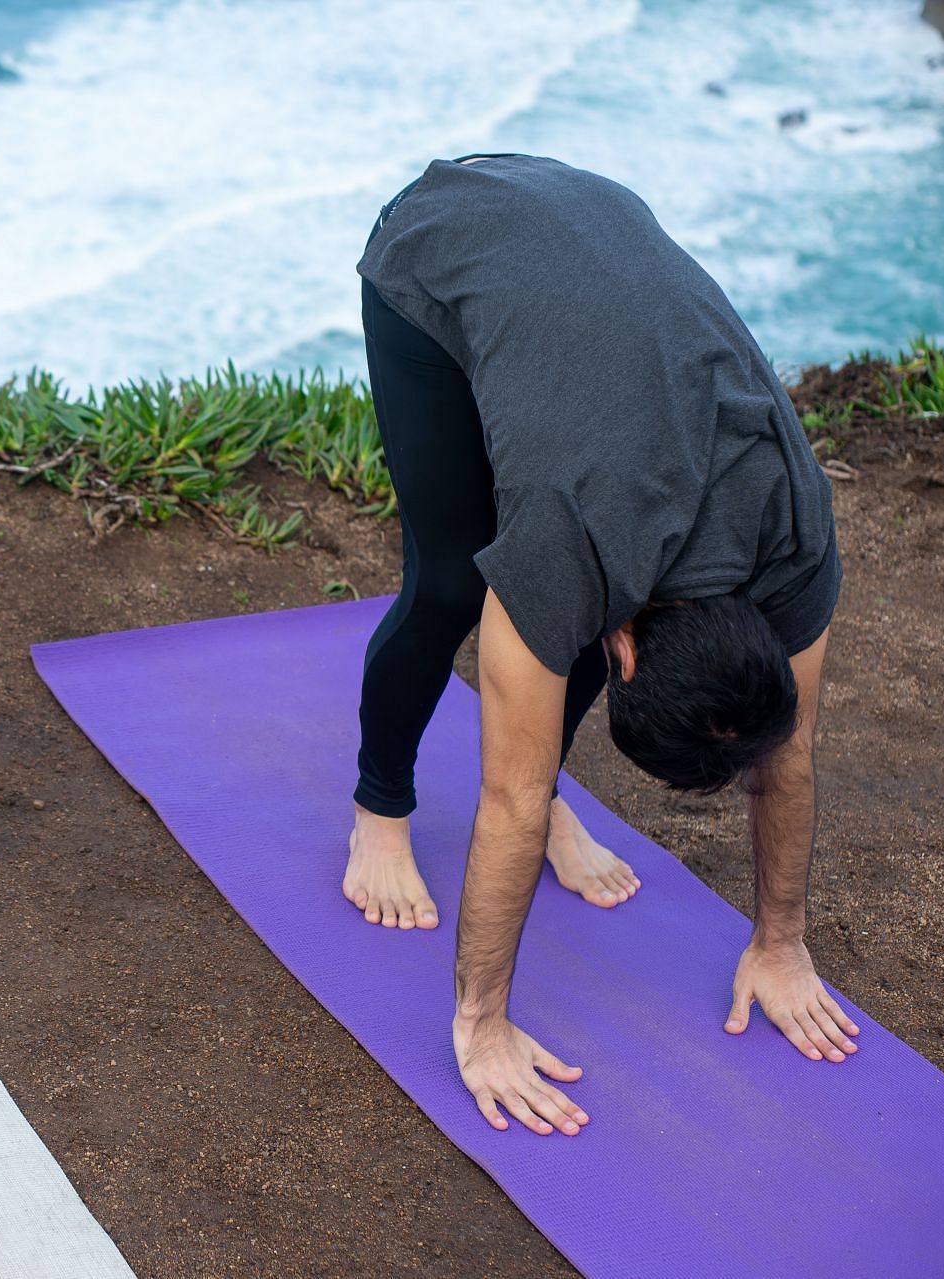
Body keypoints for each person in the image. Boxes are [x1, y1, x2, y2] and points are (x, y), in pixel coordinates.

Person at [344, 154, 857, 1136]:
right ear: (621, 648)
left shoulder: (794, 530)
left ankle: (558, 803)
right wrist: (482, 1024)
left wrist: (782, 940)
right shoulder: (567, 543)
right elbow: (504, 799)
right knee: (450, 583)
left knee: (541, 718)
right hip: (448, 244)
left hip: (594, 264)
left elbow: (786, 753)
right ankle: (377, 802)